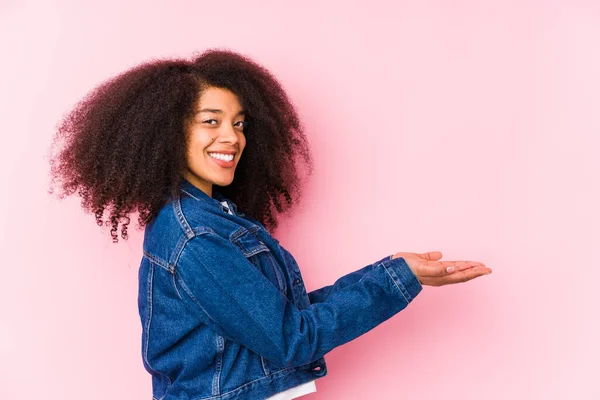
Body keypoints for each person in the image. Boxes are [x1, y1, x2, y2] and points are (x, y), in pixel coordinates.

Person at [49, 48, 492, 400]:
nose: (232, 137)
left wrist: (391, 271)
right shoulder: (197, 237)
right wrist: (395, 282)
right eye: (211, 122)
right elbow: (292, 339)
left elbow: (281, 316)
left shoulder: (210, 219)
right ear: (168, 132)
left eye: (239, 124)